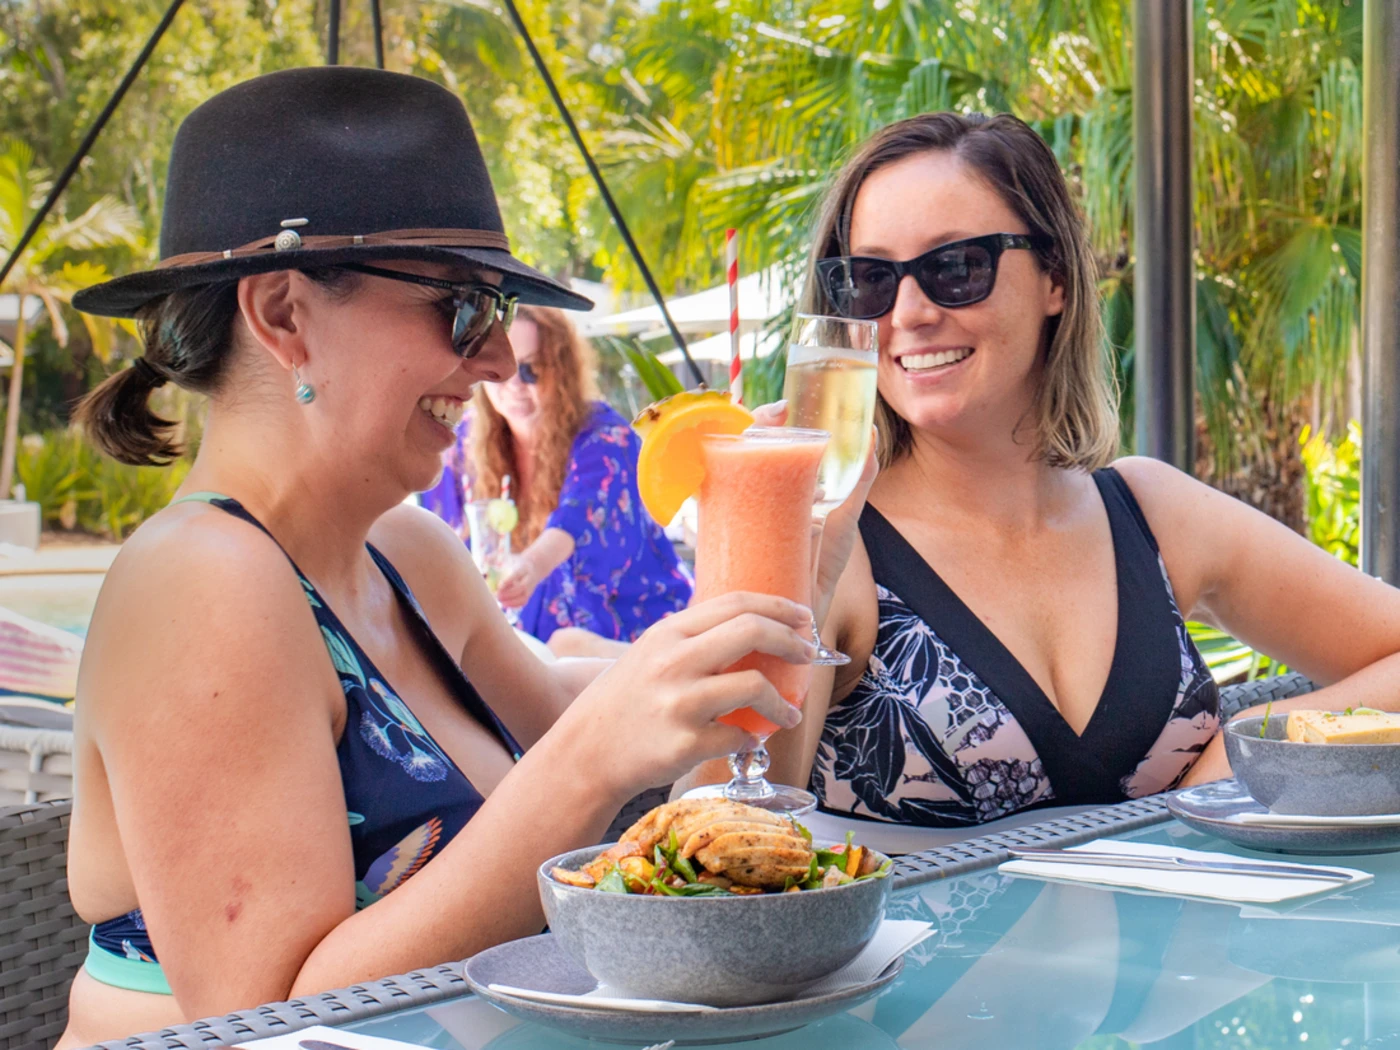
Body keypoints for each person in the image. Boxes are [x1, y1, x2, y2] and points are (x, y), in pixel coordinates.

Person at [57, 67, 862, 1047]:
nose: (494, 361)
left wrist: (789, 575)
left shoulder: (407, 555)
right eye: (461, 308)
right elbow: (261, 1020)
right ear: (281, 315)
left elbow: (686, 763)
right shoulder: (194, 586)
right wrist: (584, 763)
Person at [753, 111, 1400, 827]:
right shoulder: (835, 550)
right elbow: (717, 840)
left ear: (1055, 277)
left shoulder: (1149, 511)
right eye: (872, 279)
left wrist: (1245, 750)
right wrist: (787, 580)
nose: (908, 312)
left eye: (955, 268)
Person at [422, 306, 692, 642]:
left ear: (561, 369)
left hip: (631, 636)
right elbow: (437, 528)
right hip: (527, 645)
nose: (515, 385)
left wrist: (530, 567)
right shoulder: (465, 443)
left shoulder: (606, 436)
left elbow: (575, 522)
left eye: (532, 369)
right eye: (501, 372)